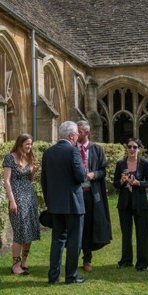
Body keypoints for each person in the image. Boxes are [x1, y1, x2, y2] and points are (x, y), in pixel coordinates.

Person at [40, 121, 87, 284]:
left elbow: (44, 181)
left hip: (55, 205)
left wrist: (50, 203)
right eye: (77, 135)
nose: (77, 137)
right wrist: (84, 170)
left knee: (57, 240)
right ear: (72, 135)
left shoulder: (48, 153)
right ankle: (71, 276)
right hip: (74, 204)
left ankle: (53, 276)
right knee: (74, 241)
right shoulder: (73, 151)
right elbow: (81, 177)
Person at [111, 137, 148, 271]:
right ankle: (126, 260)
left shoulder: (144, 163)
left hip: (140, 203)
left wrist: (138, 183)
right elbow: (115, 184)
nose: (132, 149)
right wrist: (122, 181)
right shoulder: (120, 164)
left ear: (139, 149)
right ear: (126, 148)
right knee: (126, 233)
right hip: (124, 203)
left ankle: (142, 263)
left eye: (135, 147)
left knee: (142, 234)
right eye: (129, 146)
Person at [2, 134, 40, 276]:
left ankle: (24, 261)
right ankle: (15, 265)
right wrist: (12, 201)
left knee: (29, 230)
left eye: (31, 144)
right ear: (20, 144)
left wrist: (33, 171)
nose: (30, 147)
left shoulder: (29, 157)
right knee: (19, 231)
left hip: (30, 197)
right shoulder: (9, 158)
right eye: (27, 144)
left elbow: (29, 179)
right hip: (17, 197)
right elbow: (7, 181)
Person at [76, 120, 111, 271]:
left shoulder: (96, 149)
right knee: (75, 226)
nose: (77, 134)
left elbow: (103, 171)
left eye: (80, 132)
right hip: (75, 194)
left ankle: (87, 260)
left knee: (89, 226)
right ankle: (72, 258)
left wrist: (94, 174)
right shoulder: (71, 149)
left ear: (87, 133)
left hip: (90, 193)